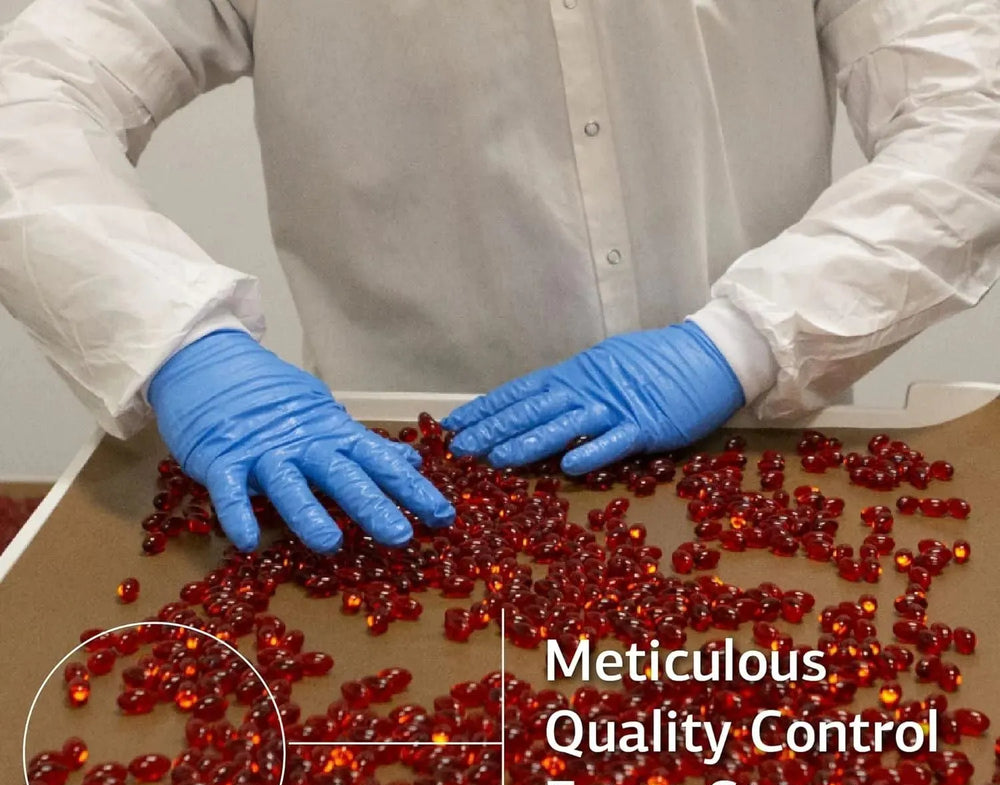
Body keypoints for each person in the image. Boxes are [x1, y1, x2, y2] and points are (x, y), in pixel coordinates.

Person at [1, 0, 998, 553]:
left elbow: (970, 113)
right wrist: (182, 344)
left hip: (757, 454)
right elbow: (30, 97)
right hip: (383, 486)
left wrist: (743, 339)